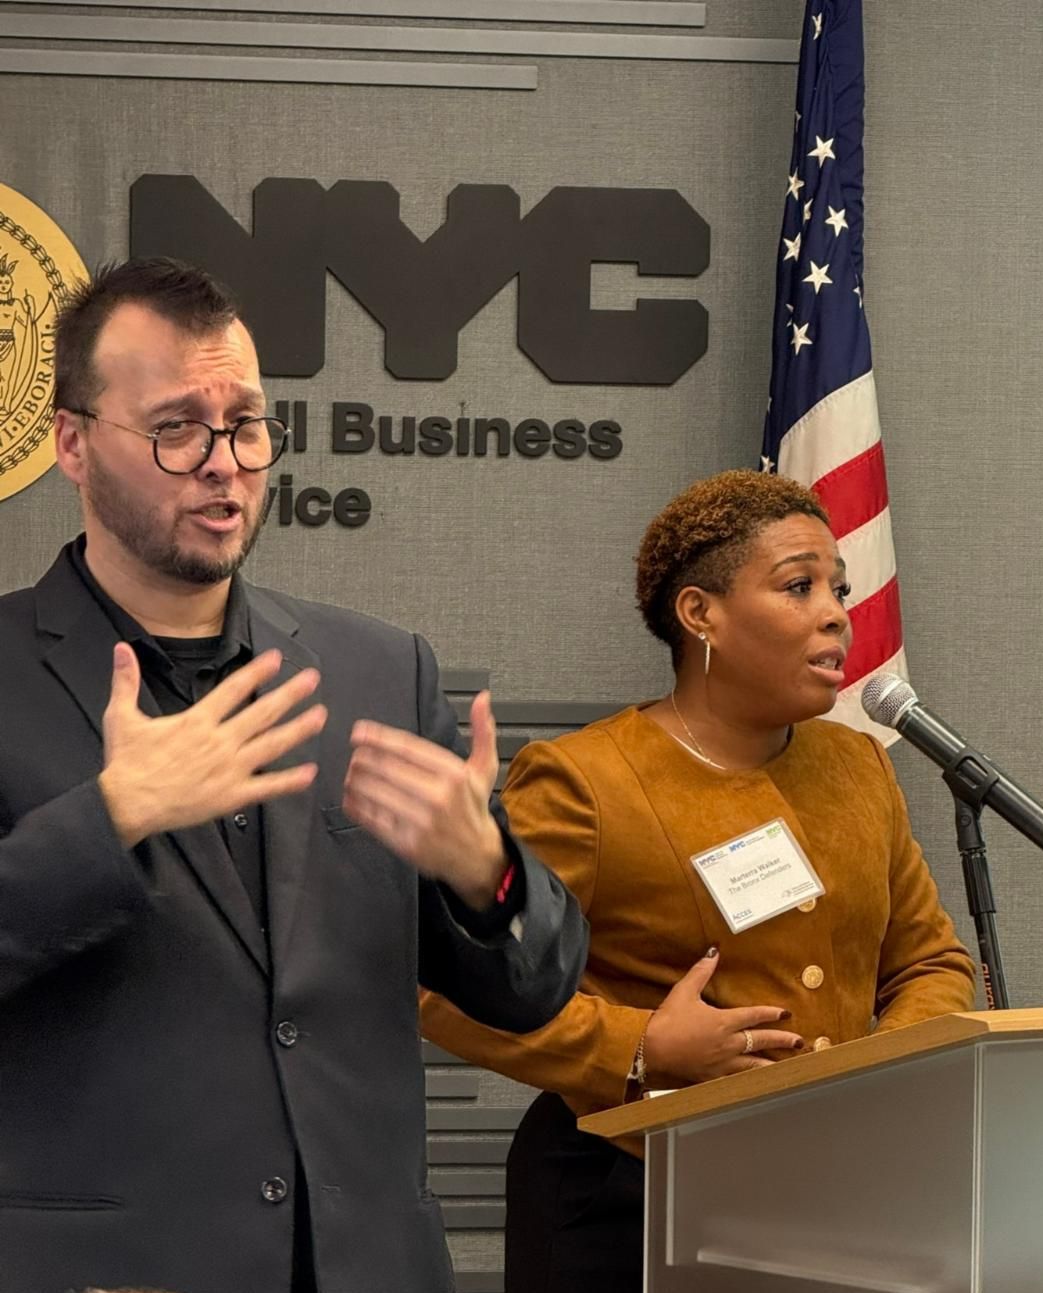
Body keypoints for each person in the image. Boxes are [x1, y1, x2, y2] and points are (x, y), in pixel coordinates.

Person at [0, 258, 587, 1293]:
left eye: (246, 425)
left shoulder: (379, 672)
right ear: (74, 445)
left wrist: (484, 872)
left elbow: (532, 992)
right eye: (177, 429)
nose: (222, 463)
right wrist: (110, 819)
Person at [420, 469, 977, 1293]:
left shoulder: (858, 764)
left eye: (839, 589)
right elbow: (450, 991)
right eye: (799, 586)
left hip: (832, 1189)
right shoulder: (586, 782)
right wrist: (642, 1048)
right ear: (699, 613)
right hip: (629, 1195)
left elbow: (931, 962)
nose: (835, 613)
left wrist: (875, 1074)